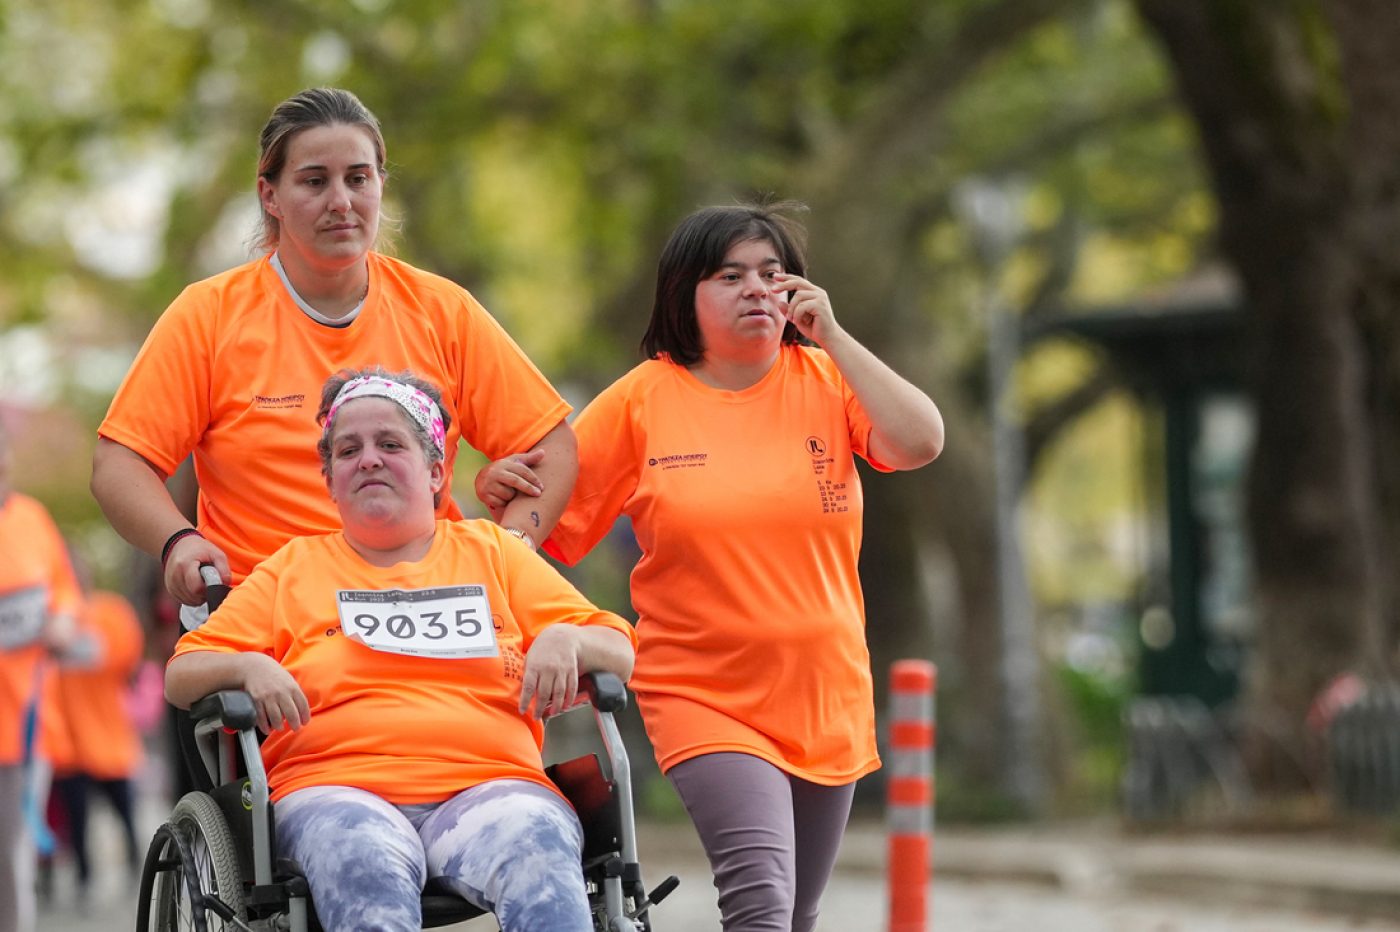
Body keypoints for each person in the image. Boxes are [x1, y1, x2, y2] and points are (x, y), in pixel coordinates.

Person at [477, 202, 945, 931]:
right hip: (704, 694)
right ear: (684, 295)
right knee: (761, 903)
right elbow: (532, 533)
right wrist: (503, 493)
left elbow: (920, 441)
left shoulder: (827, 378)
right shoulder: (642, 399)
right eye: (729, 275)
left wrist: (834, 336)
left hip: (826, 694)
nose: (756, 288)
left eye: (770, 272)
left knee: (796, 914)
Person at [166, 368, 637, 932]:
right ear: (330, 481)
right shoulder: (292, 569)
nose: (368, 460)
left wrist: (567, 636)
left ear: (436, 471)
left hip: (492, 787)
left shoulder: (493, 553)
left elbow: (618, 649)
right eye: (348, 451)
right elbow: (182, 673)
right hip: (337, 791)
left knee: (536, 846)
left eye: (390, 444)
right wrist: (248, 666)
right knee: (361, 858)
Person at [91, 86, 576, 629]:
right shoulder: (209, 315)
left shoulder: (443, 310)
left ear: (381, 184)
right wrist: (176, 541)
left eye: (358, 178)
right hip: (266, 622)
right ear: (270, 196)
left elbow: (551, 445)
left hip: (426, 615)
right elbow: (119, 463)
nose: (341, 201)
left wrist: (509, 550)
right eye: (315, 181)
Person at [0, 422, 81, 932]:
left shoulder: (31, 518)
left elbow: (64, 589)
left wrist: (64, 620)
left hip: (27, 724)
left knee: (14, 859)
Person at [40, 584, 145, 904]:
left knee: (123, 813)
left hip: (105, 740)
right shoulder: (47, 619)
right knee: (77, 820)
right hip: (70, 745)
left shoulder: (109, 614)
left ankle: (136, 871)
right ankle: (85, 879)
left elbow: (130, 662)